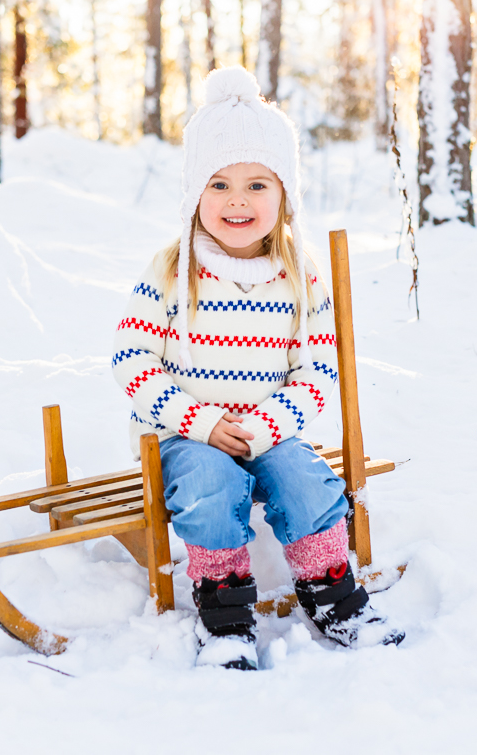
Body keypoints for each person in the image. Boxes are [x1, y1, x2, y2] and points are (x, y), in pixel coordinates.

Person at [112, 66, 402, 670]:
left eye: (256, 185)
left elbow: (317, 370)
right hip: (190, 436)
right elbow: (132, 360)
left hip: (271, 429)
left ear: (285, 195)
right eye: (217, 184)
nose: (236, 200)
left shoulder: (301, 277)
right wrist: (199, 421)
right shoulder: (173, 271)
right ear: (194, 194)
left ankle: (333, 597)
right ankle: (224, 614)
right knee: (209, 489)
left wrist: (268, 426)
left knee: (308, 482)